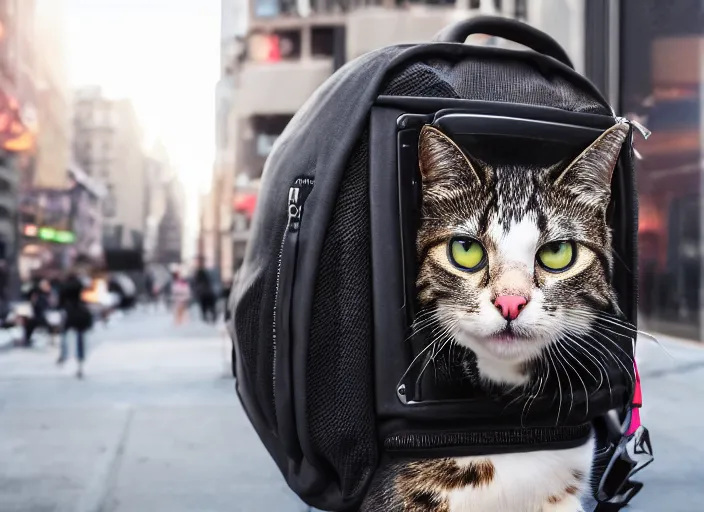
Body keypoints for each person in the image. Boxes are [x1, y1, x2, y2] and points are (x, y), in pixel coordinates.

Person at [57, 273, 93, 378]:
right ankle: (80, 360)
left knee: (64, 334)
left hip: (69, 314)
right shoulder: (79, 286)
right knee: (80, 337)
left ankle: (64, 355)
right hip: (80, 314)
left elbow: (60, 302)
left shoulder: (64, 288)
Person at [23, 279, 52, 348]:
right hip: (36, 313)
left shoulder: (45, 294)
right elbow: (29, 298)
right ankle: (27, 340)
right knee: (30, 326)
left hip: (41, 314)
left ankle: (50, 339)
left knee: (47, 326)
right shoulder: (36, 292)